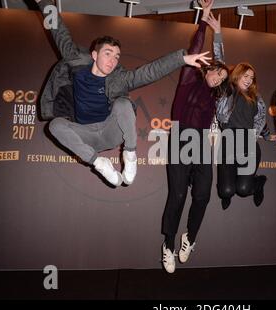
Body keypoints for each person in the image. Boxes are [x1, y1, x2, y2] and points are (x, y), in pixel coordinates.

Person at [34, 0, 210, 187]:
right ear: (94, 55)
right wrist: (43, 3)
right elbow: (58, 31)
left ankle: (130, 155)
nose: (112, 61)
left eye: (116, 57)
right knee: (55, 125)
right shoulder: (76, 61)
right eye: (108, 54)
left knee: (124, 104)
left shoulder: (120, 78)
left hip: (111, 131)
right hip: (85, 133)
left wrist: (182, 58)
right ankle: (99, 163)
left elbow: (149, 71)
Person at [161, 0, 229, 274]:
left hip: (201, 141)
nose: (220, 78)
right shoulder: (189, 77)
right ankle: (167, 245)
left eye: (223, 78)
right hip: (180, 136)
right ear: (207, 69)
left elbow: (228, 67)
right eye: (217, 73)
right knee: (177, 195)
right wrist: (203, 18)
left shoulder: (216, 96)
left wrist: (221, 34)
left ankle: (189, 238)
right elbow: (195, 48)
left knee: (202, 195)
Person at [216, 62, 276, 210]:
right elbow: (220, 59)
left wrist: (267, 135)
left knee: (243, 190)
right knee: (226, 191)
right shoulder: (227, 90)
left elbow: (260, 120)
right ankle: (227, 187)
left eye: (252, 77)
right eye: (246, 75)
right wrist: (217, 39)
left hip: (248, 143)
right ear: (237, 75)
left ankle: (258, 183)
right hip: (228, 142)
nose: (249, 79)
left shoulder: (255, 98)